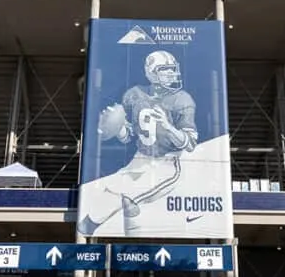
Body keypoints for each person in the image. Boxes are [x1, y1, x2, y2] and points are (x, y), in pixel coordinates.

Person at [77, 49, 198, 236]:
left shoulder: (182, 99)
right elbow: (128, 137)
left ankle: (135, 249)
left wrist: (169, 127)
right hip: (140, 158)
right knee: (106, 197)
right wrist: (117, 128)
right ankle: (86, 235)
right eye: (165, 69)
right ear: (151, 73)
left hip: (167, 164)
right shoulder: (134, 95)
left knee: (129, 198)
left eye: (172, 69)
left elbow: (190, 144)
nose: (171, 73)